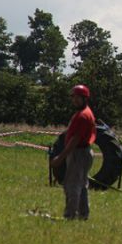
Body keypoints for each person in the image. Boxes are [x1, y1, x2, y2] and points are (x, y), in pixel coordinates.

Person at [50, 85, 96, 220]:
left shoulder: (82, 116)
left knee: (72, 185)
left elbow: (75, 139)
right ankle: (83, 214)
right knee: (81, 185)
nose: (74, 100)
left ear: (85, 98)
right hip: (84, 152)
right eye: (73, 97)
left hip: (78, 153)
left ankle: (70, 215)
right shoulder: (86, 112)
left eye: (78, 97)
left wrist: (60, 157)